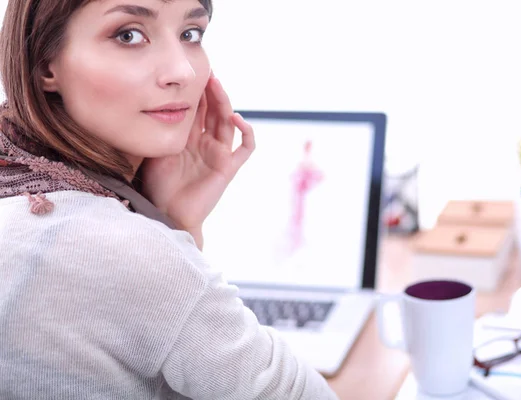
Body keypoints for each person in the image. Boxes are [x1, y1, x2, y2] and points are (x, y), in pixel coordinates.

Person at [0, 1, 339, 399]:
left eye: (190, 34)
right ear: (44, 65)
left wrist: (176, 223)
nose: (183, 71)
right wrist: (170, 243)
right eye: (128, 35)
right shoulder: (119, 249)